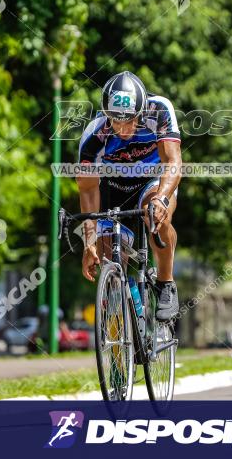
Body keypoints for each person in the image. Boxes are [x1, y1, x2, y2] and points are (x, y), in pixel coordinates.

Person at [77, 71, 182, 321]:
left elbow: (173, 161)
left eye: (129, 121)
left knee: (156, 218)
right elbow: (88, 190)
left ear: (142, 110)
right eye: (116, 121)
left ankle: (165, 282)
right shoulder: (94, 135)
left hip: (154, 180)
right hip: (113, 187)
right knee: (106, 252)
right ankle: (124, 315)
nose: (123, 129)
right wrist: (88, 243)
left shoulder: (160, 110)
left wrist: (163, 198)